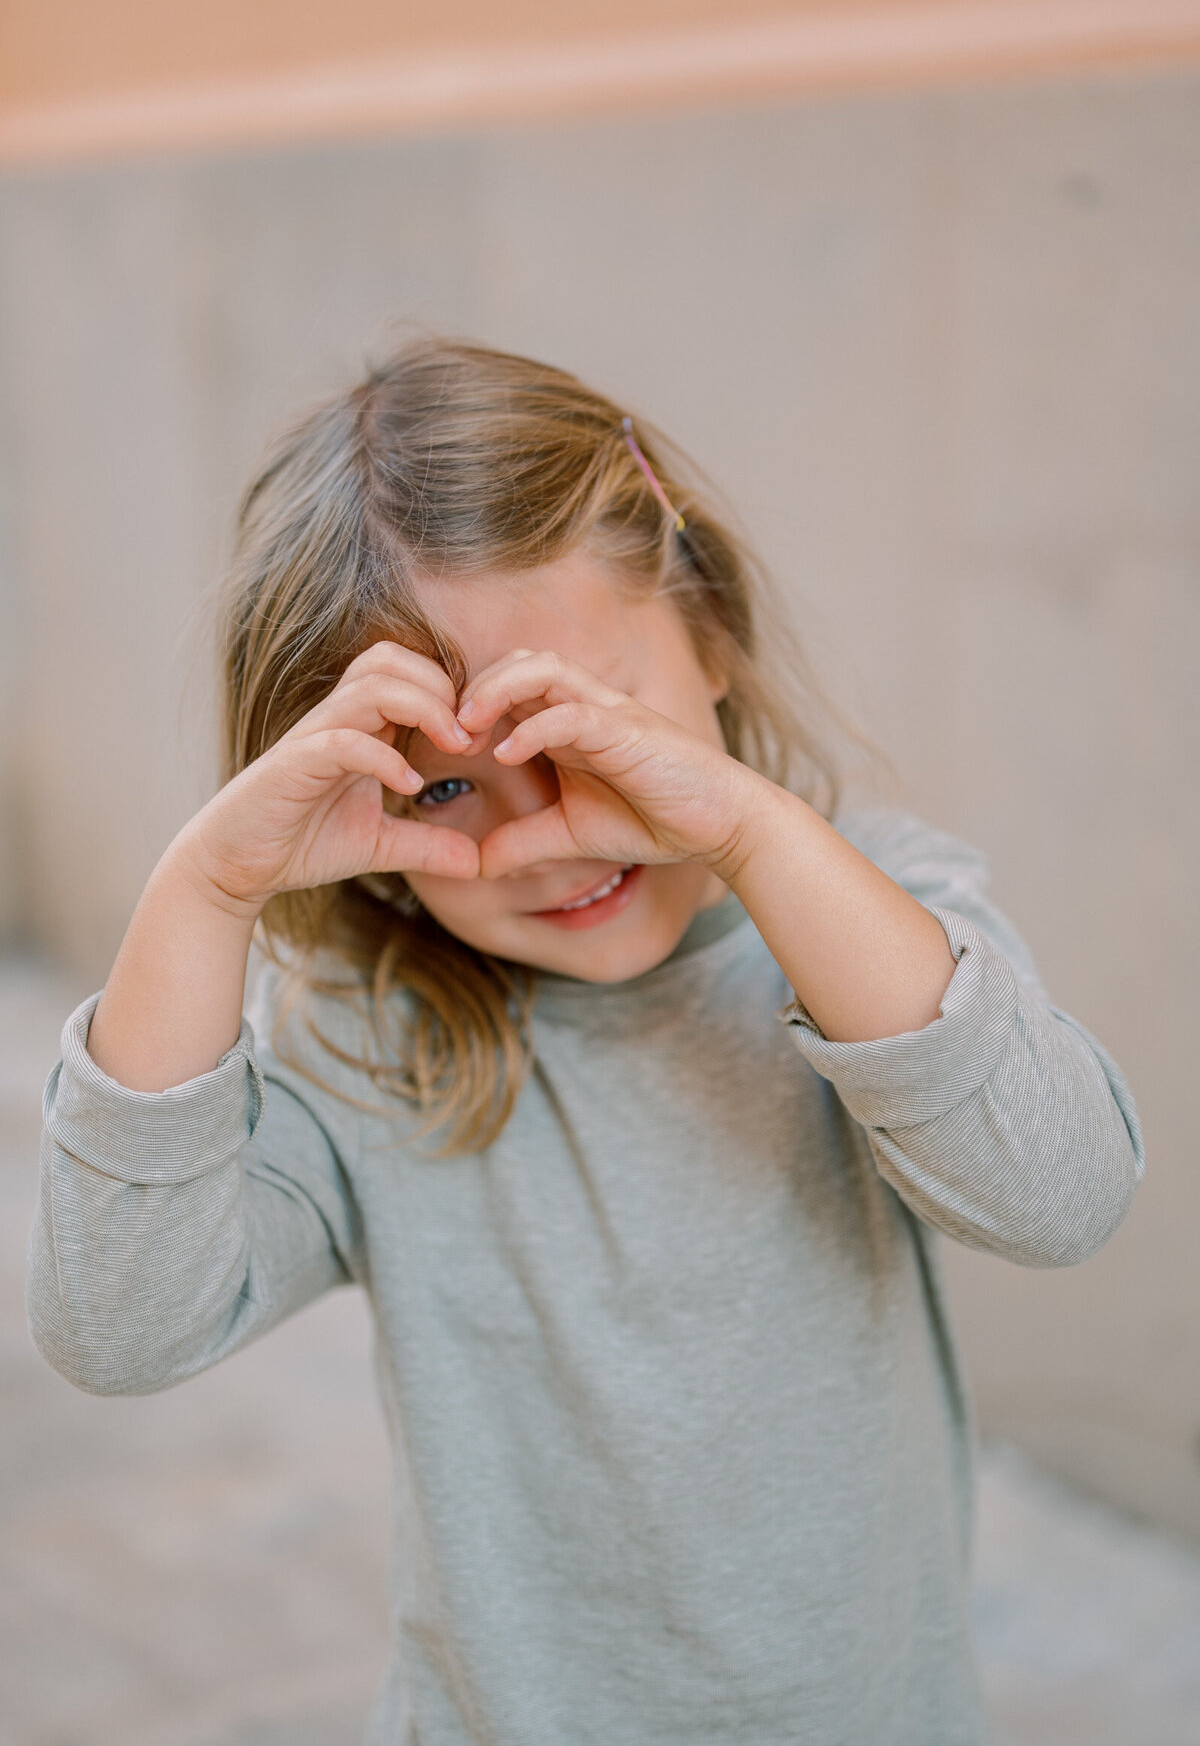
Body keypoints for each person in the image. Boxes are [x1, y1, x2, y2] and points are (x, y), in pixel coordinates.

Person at [27, 337, 1144, 1746]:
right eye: (441, 782)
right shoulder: (379, 1037)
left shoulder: (879, 924)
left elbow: (1065, 1197)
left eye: (590, 727)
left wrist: (748, 828)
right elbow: (123, 1327)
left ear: (714, 635)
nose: (541, 834)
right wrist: (206, 888)